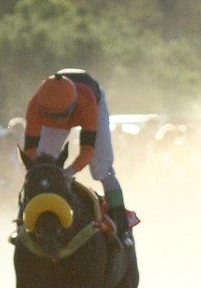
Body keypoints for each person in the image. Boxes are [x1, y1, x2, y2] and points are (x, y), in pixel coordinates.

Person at [24, 69, 133, 248]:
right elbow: (31, 152)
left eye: (61, 116)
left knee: (101, 168)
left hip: (92, 105)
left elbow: (87, 150)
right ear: (42, 109)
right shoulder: (35, 105)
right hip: (67, 106)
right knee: (42, 166)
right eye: (52, 117)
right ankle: (25, 224)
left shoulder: (88, 102)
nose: (59, 122)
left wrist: (69, 171)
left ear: (72, 106)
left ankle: (123, 229)